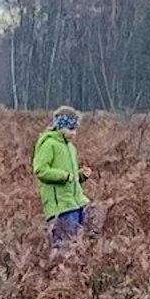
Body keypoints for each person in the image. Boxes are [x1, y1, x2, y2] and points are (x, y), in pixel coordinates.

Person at [33, 106, 97, 250]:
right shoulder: (49, 144)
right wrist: (64, 176)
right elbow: (41, 170)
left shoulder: (70, 148)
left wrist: (80, 175)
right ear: (60, 126)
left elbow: (72, 177)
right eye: (70, 129)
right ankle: (59, 270)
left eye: (75, 129)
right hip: (61, 206)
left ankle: (74, 271)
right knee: (64, 246)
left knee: (81, 240)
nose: (73, 133)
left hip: (77, 202)